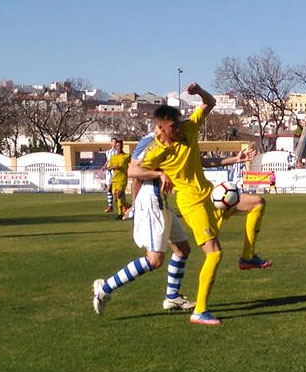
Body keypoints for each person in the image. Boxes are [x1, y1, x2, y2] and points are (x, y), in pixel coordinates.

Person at [125, 82, 272, 326]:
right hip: (191, 204)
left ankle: (248, 257)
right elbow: (133, 170)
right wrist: (159, 175)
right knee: (214, 254)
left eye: (178, 124)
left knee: (258, 202)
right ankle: (200, 311)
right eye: (172, 127)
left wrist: (200, 91)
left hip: (209, 195)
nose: (177, 130)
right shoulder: (156, 150)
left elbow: (210, 103)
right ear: (160, 128)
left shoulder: (189, 128)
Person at [92, 132, 258, 315]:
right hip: (151, 202)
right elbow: (134, 172)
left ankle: (172, 297)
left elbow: (197, 163)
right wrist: (138, 200)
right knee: (154, 260)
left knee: (182, 249)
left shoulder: (173, 141)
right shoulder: (150, 142)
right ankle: (104, 289)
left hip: (162, 202)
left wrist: (234, 159)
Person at [106, 140, 131, 220]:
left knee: (119, 195)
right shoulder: (113, 157)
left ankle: (120, 214)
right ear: (115, 147)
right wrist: (113, 167)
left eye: (120, 146)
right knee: (117, 198)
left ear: (122, 146)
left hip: (123, 178)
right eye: (117, 146)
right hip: (115, 179)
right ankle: (130, 207)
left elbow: (132, 164)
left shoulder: (127, 156)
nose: (119, 147)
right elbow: (109, 167)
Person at [102, 138, 118, 213]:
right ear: (111, 143)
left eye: (115, 142)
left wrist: (112, 167)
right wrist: (104, 166)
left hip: (114, 171)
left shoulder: (117, 152)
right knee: (109, 189)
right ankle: (110, 206)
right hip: (108, 172)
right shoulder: (108, 151)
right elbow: (108, 160)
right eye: (113, 142)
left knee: (115, 189)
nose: (114, 143)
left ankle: (121, 205)